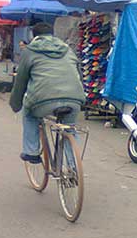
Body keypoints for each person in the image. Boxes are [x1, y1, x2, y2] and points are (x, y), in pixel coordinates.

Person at [9, 22, 85, 163]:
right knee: (69, 129)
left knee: (29, 113)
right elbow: (79, 76)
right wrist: (81, 101)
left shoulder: (30, 51)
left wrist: (15, 104)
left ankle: (31, 152)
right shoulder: (68, 49)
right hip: (74, 99)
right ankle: (74, 167)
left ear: (34, 36)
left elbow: (21, 81)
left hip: (43, 102)